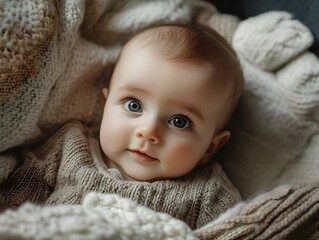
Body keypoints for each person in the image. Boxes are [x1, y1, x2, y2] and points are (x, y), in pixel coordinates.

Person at [0, 23, 243, 229]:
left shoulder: (208, 195)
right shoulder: (72, 147)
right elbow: (18, 199)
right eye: (134, 105)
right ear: (106, 105)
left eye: (179, 121)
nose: (148, 132)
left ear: (210, 148)